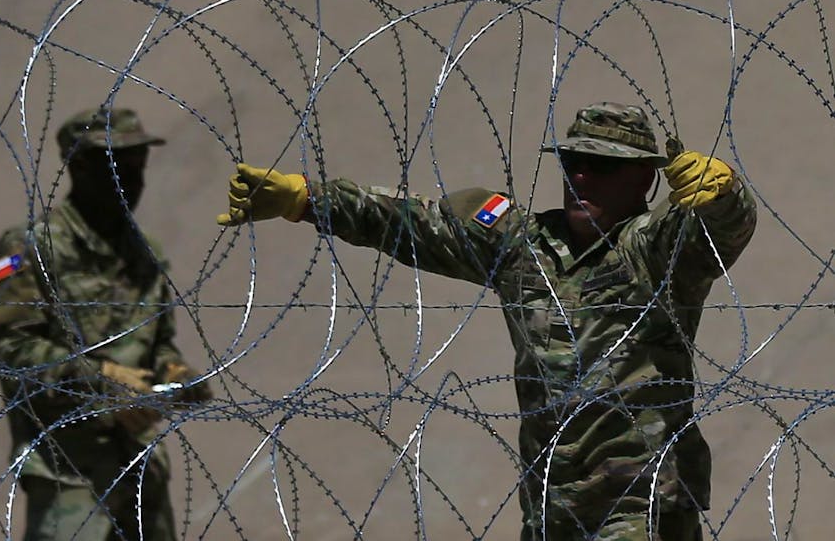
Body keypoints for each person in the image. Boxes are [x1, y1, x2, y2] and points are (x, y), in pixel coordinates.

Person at [216, 102, 756, 540]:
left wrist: (724, 195)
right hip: (551, 504)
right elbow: (413, 223)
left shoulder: (654, 249)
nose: (582, 175)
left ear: (644, 179)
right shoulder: (524, 246)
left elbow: (720, 232)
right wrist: (307, 200)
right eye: (572, 162)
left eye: (604, 165)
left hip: (640, 507)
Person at [0, 106, 211, 541]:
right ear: (80, 167)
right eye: (116, 167)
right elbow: (13, 350)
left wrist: (175, 375)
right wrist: (104, 381)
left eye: (137, 166)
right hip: (69, 477)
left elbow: (159, 342)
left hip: (139, 470)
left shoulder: (145, 254)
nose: (131, 179)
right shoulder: (28, 250)